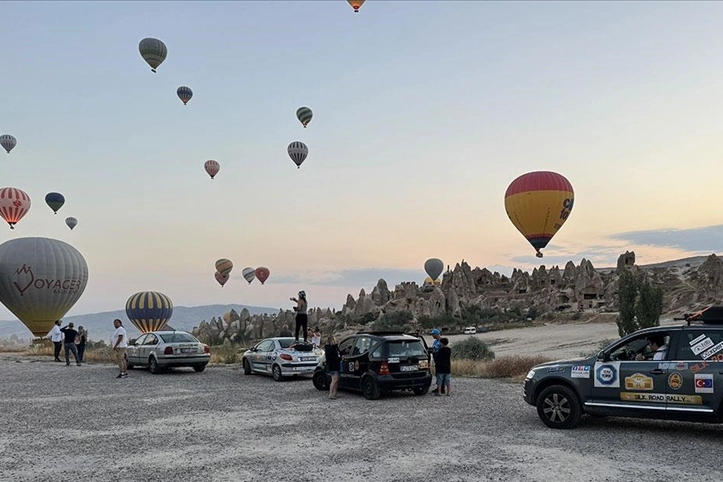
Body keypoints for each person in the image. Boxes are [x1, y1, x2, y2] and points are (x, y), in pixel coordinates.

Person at [324, 335, 341, 400]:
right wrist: (339, 358)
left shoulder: (335, 347)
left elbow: (339, 354)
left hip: (337, 365)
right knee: (334, 380)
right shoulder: (329, 349)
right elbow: (332, 358)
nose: (335, 341)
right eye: (334, 340)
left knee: (337, 380)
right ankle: (331, 394)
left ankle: (334, 393)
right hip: (333, 365)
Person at [429, 328, 445, 394]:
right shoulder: (435, 341)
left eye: (433, 334)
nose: (432, 335)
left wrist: (431, 350)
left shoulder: (441, 341)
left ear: (436, 334)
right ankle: (439, 387)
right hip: (436, 360)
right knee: (437, 374)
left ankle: (442, 389)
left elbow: (436, 349)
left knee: (440, 374)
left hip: (441, 360)